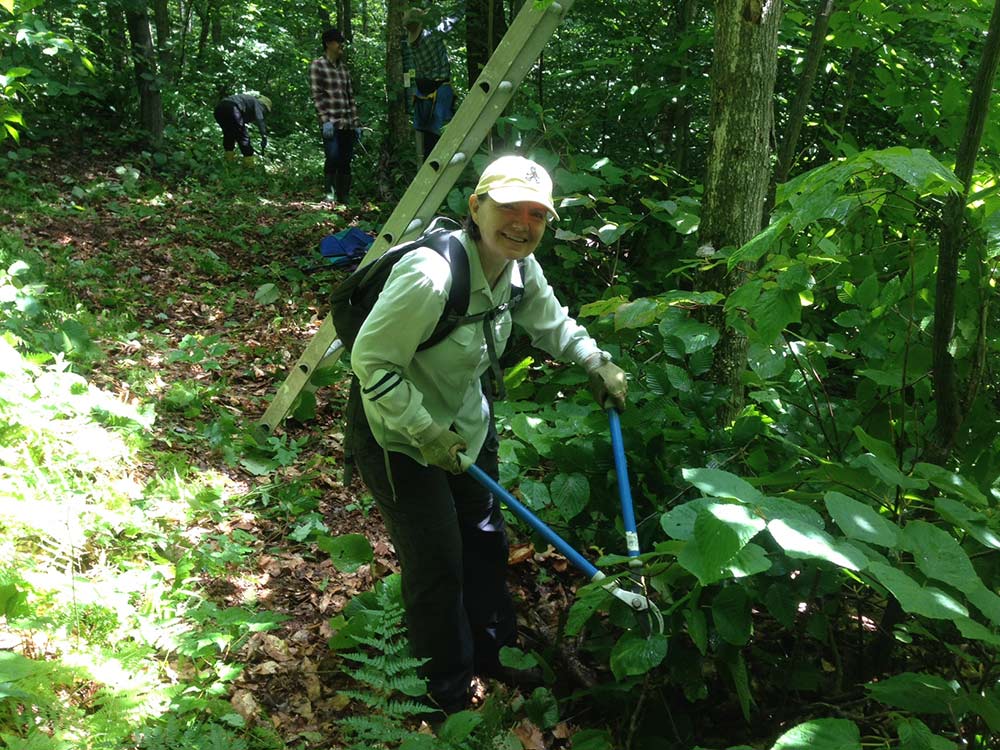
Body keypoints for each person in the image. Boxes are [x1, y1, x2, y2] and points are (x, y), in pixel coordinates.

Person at [347, 155, 628, 715]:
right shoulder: (430, 276)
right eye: (508, 208)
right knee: (437, 565)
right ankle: (444, 693)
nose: (522, 223)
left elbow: (554, 324)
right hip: (399, 439)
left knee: (483, 542)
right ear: (475, 207)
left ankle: (494, 654)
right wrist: (424, 432)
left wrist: (596, 362)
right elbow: (371, 362)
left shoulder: (520, 271)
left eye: (536, 214)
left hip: (467, 428)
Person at [310, 28, 362, 203]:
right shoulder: (318, 65)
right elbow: (317, 95)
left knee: (346, 160)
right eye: (338, 41)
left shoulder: (344, 69)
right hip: (331, 124)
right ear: (328, 43)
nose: (341, 45)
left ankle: (344, 196)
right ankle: (329, 195)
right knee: (332, 157)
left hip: (347, 123)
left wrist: (356, 123)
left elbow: (350, 97)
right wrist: (325, 121)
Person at [402, 7, 458, 160]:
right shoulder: (432, 35)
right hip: (439, 90)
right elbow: (453, 19)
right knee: (440, 135)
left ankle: (427, 172)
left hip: (423, 93)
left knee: (428, 139)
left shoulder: (410, 44)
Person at [213, 93, 271, 165]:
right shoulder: (258, 104)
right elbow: (260, 119)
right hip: (232, 108)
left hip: (219, 109)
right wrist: (264, 135)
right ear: (264, 106)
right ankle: (249, 166)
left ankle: (228, 163)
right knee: (243, 138)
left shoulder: (248, 102)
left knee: (229, 135)